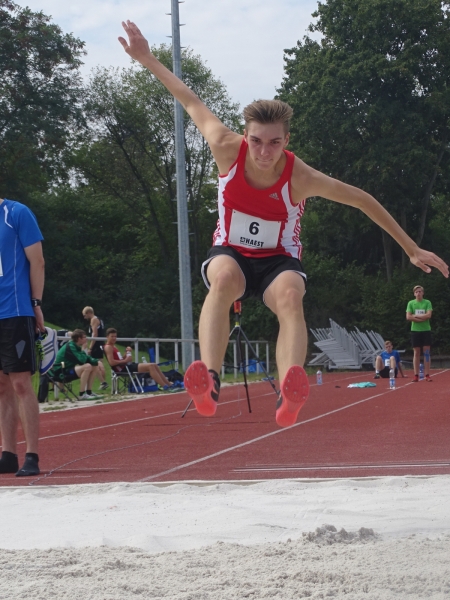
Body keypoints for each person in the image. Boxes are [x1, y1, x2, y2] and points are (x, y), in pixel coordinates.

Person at [118, 22, 449, 427]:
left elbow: (362, 199)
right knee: (222, 281)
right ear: (245, 136)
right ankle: (209, 379)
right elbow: (189, 99)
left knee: (291, 297)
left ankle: (290, 389)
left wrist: (411, 248)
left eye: (274, 143)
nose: (264, 152)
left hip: (279, 259)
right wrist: (146, 58)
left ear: (286, 141)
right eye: (257, 141)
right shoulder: (224, 146)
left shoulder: (300, 176)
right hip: (232, 252)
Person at [0, 197, 45, 476]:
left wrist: (36, 303)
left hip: (15, 311)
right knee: (1, 386)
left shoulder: (16, 213)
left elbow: (37, 261)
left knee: (19, 383)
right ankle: (7, 454)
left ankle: (32, 455)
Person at [103, 328, 173, 388]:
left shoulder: (114, 346)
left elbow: (120, 359)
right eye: (112, 336)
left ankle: (168, 384)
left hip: (126, 366)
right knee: (151, 366)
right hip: (123, 369)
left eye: (115, 336)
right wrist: (125, 361)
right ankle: (164, 386)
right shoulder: (108, 347)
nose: (114, 338)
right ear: (107, 337)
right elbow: (112, 363)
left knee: (154, 365)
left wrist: (126, 353)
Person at [49, 329, 102, 400]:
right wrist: (83, 349)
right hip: (61, 373)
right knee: (87, 366)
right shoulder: (70, 346)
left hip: (68, 370)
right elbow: (81, 361)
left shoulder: (75, 346)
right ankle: (82, 394)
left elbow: (87, 358)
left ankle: (89, 392)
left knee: (94, 366)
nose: (86, 339)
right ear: (79, 338)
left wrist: (97, 361)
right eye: (84, 337)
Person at [406, 285, 433, 382]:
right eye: (416, 292)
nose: (418, 293)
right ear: (414, 294)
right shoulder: (411, 303)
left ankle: (427, 374)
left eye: (420, 291)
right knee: (416, 352)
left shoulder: (427, 302)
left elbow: (429, 315)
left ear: (423, 293)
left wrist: (416, 316)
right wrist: (421, 318)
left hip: (426, 330)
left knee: (426, 352)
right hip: (415, 330)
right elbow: (408, 317)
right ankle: (416, 375)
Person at [82, 306, 108, 390]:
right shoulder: (99, 319)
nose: (84, 317)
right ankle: (103, 382)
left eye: (85, 315)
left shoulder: (93, 320)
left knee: (95, 364)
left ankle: (103, 382)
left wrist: (90, 347)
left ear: (89, 313)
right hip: (100, 343)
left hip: (96, 345)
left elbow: (95, 334)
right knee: (99, 363)